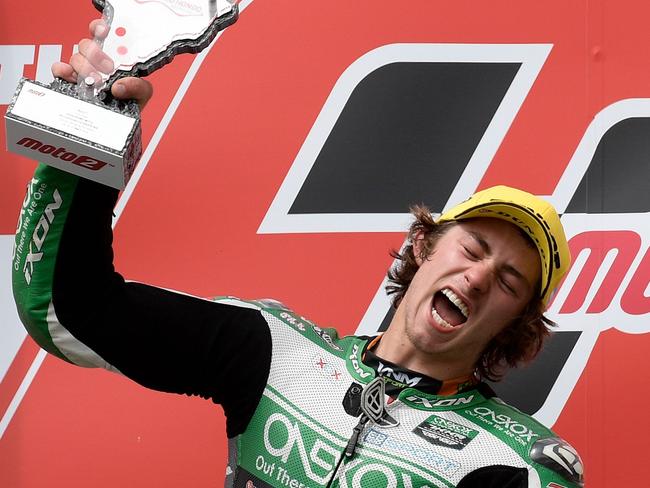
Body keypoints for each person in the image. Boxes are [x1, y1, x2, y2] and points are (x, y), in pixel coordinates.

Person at [12, 22, 584, 488]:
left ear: (517, 328)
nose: (480, 276)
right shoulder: (277, 352)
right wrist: (89, 128)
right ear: (422, 246)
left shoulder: (513, 466)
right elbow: (69, 308)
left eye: (509, 281)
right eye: (473, 248)